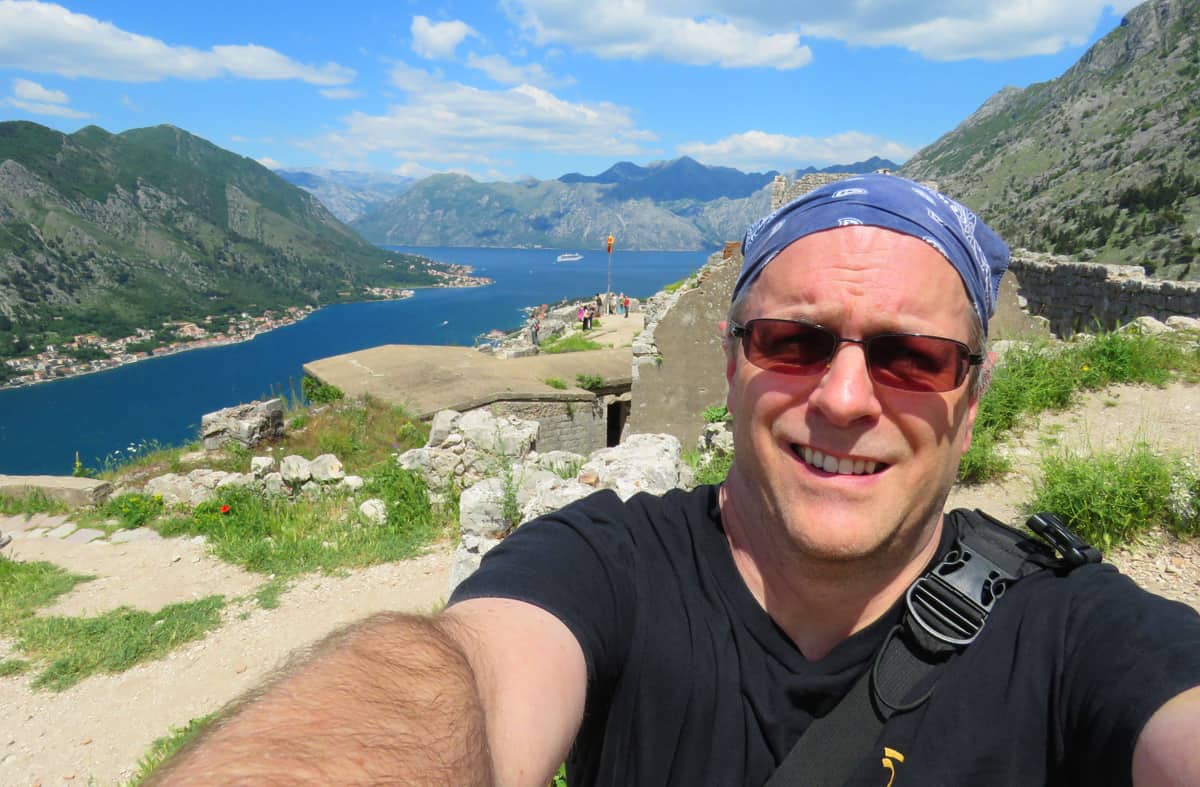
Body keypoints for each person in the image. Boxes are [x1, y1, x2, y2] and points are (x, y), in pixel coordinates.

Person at [153, 175, 1200, 786]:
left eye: (909, 356)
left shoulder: (1078, 635)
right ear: (734, 361)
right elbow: (461, 675)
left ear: (969, 397)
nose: (843, 397)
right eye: (793, 339)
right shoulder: (604, 568)